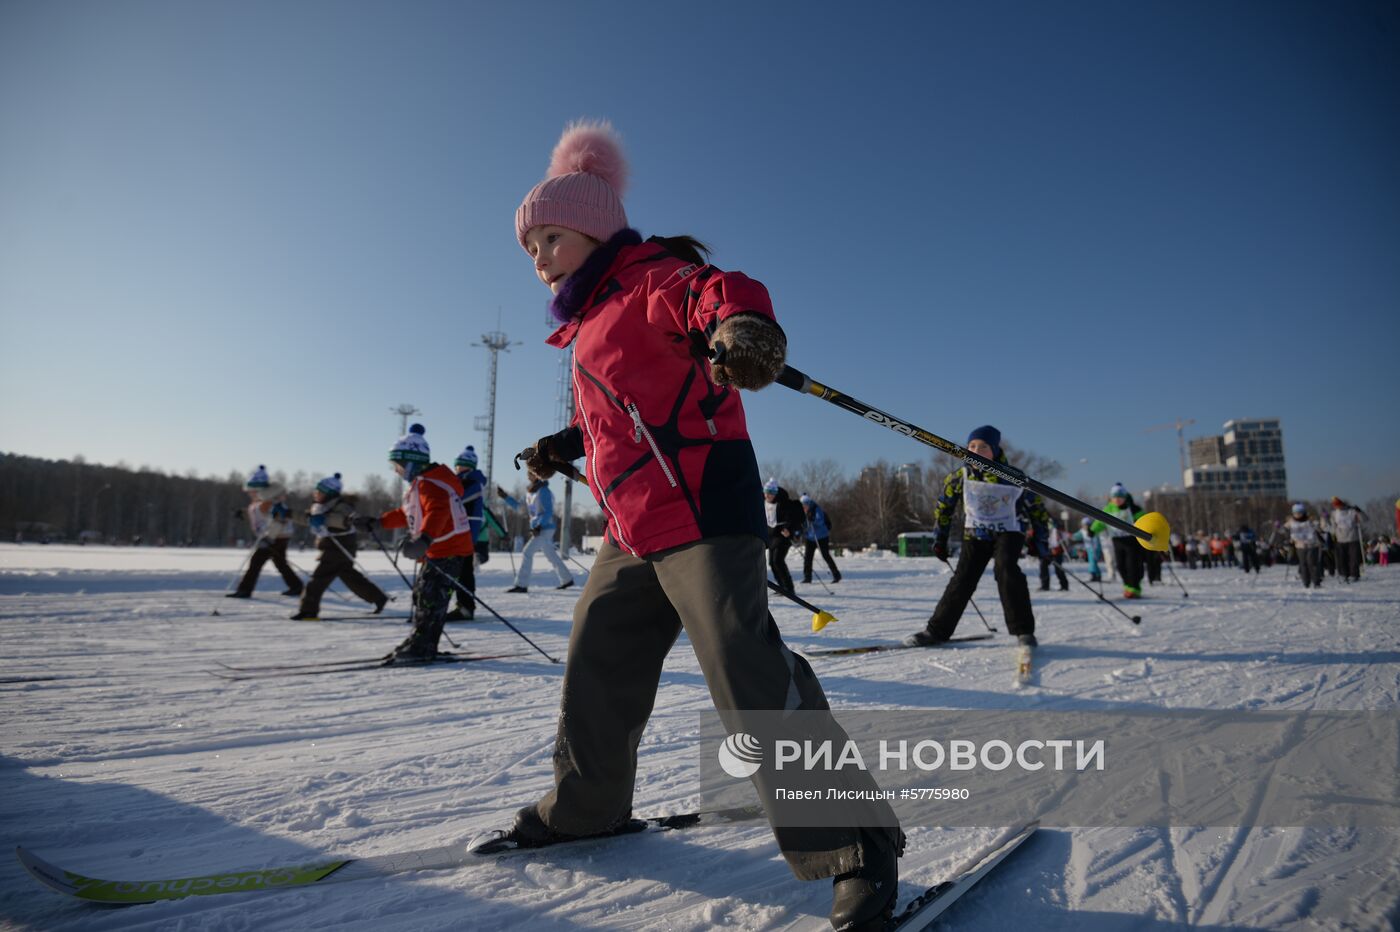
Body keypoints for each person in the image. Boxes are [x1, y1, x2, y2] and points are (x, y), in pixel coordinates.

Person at [507, 120, 902, 930]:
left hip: (703, 507)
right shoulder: (584, 325)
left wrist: (742, 332)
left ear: (593, 226)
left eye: (549, 237)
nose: (538, 256)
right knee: (597, 664)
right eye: (529, 247)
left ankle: (856, 843)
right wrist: (564, 443)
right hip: (632, 525)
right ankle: (587, 808)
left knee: (741, 664)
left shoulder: (654, 275)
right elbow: (626, 418)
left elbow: (722, 293)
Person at [904, 425, 1050, 648]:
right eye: (972, 446)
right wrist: (939, 539)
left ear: (995, 451)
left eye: (983, 447)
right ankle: (936, 631)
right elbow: (944, 508)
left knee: (1006, 570)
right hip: (976, 532)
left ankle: (1024, 631)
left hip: (1009, 531)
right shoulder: (959, 477)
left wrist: (1039, 539)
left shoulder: (1013, 478)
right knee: (963, 578)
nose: (976, 451)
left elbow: (1037, 509)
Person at [354, 425, 473, 662]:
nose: (396, 471)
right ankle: (420, 639)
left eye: (397, 465)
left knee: (431, 597)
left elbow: (437, 513)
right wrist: (377, 522)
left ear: (411, 461)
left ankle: (423, 646)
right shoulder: (423, 483)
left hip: (448, 550)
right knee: (423, 595)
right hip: (439, 550)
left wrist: (424, 539)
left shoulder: (432, 485)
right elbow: (406, 513)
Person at [290, 473, 387, 620]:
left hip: (340, 549)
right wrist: (287, 514)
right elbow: (308, 519)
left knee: (317, 580)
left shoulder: (342, 506)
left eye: (319, 492)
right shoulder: (319, 507)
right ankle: (378, 597)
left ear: (329, 494)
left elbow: (344, 520)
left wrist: (325, 519)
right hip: (332, 548)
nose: (315, 494)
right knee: (351, 578)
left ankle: (308, 610)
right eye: (316, 491)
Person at [227, 465, 303, 599]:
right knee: (280, 563)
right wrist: (242, 513)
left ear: (259, 491)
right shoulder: (261, 502)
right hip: (277, 537)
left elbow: (279, 520)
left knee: (256, 562)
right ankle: (296, 586)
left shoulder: (268, 502)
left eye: (251, 491)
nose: (249, 494)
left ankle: (245, 590)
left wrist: (269, 538)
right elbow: (259, 516)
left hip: (274, 537)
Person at [497, 472, 574, 593]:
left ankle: (521, 585)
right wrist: (506, 497)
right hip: (539, 529)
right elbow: (519, 507)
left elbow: (548, 512)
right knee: (551, 555)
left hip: (545, 529)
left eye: (530, 474)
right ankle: (567, 579)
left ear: (537, 475)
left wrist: (539, 525)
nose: (528, 476)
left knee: (527, 552)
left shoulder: (544, 491)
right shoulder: (530, 492)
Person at [446, 445, 487, 621]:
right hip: (459, 530)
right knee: (459, 569)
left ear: (470, 466)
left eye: (461, 466)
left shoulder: (474, 482)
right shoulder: (462, 481)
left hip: (468, 531)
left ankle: (465, 607)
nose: (458, 469)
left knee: (463, 570)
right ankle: (463, 604)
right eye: (457, 466)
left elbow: (457, 499)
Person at [763, 478, 805, 594]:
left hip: (783, 535)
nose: (768, 495)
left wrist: (789, 530)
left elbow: (793, 519)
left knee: (778, 560)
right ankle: (781, 587)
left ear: (775, 493)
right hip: (771, 535)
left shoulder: (784, 504)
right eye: (766, 492)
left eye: (771, 493)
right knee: (772, 562)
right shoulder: (763, 502)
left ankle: (789, 588)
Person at [800, 493, 842, 584]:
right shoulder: (802, 512)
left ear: (809, 504)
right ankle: (807, 577)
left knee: (825, 555)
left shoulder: (816, 509)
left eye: (805, 505)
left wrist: (813, 520)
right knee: (808, 557)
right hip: (810, 537)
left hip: (821, 536)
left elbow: (820, 522)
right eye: (802, 506)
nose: (804, 507)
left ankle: (836, 575)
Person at [1284, 501, 1324, 589]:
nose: (1298, 515)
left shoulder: (1310, 520)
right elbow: (1284, 530)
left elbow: (1320, 528)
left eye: (1299, 513)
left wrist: (1321, 521)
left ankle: (1316, 582)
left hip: (1312, 545)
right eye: (1296, 513)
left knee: (1312, 563)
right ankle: (1306, 582)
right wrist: (1281, 529)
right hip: (1300, 546)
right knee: (1303, 564)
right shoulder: (1291, 521)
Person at [1329, 497, 1366, 582]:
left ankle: (1354, 574)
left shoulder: (1352, 512)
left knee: (1354, 558)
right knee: (1342, 559)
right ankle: (1343, 574)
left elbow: (1364, 519)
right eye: (1335, 505)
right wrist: (1333, 533)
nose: (1337, 507)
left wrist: (1360, 512)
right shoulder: (1334, 514)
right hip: (1340, 539)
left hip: (1353, 538)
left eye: (1338, 505)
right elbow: (1333, 526)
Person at [1037, 521, 1069, 592]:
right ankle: (1045, 586)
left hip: (1056, 552)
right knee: (1043, 566)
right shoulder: (1042, 530)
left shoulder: (1057, 531)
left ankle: (1064, 586)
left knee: (1058, 569)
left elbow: (1064, 538)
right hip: (1047, 552)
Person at [1077, 516, 1105, 581]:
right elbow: (1077, 536)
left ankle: (1097, 575)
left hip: (1094, 548)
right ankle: (1094, 575)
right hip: (1089, 548)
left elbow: (1095, 540)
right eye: (1083, 525)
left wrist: (1095, 548)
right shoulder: (1082, 531)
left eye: (1086, 525)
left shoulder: (1092, 530)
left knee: (1093, 562)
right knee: (1091, 562)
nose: (1084, 526)